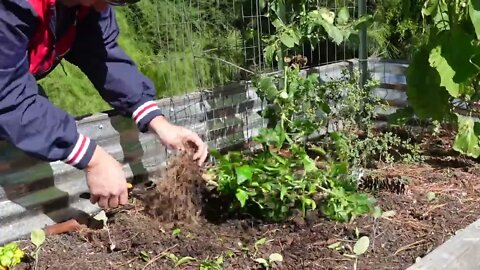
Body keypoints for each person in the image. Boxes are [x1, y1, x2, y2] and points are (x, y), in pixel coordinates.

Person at [0, 0, 209, 209]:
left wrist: (158, 121)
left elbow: (103, 55)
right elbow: (8, 95)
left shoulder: (83, 6)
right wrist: (94, 159)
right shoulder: (14, 6)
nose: (103, 8)